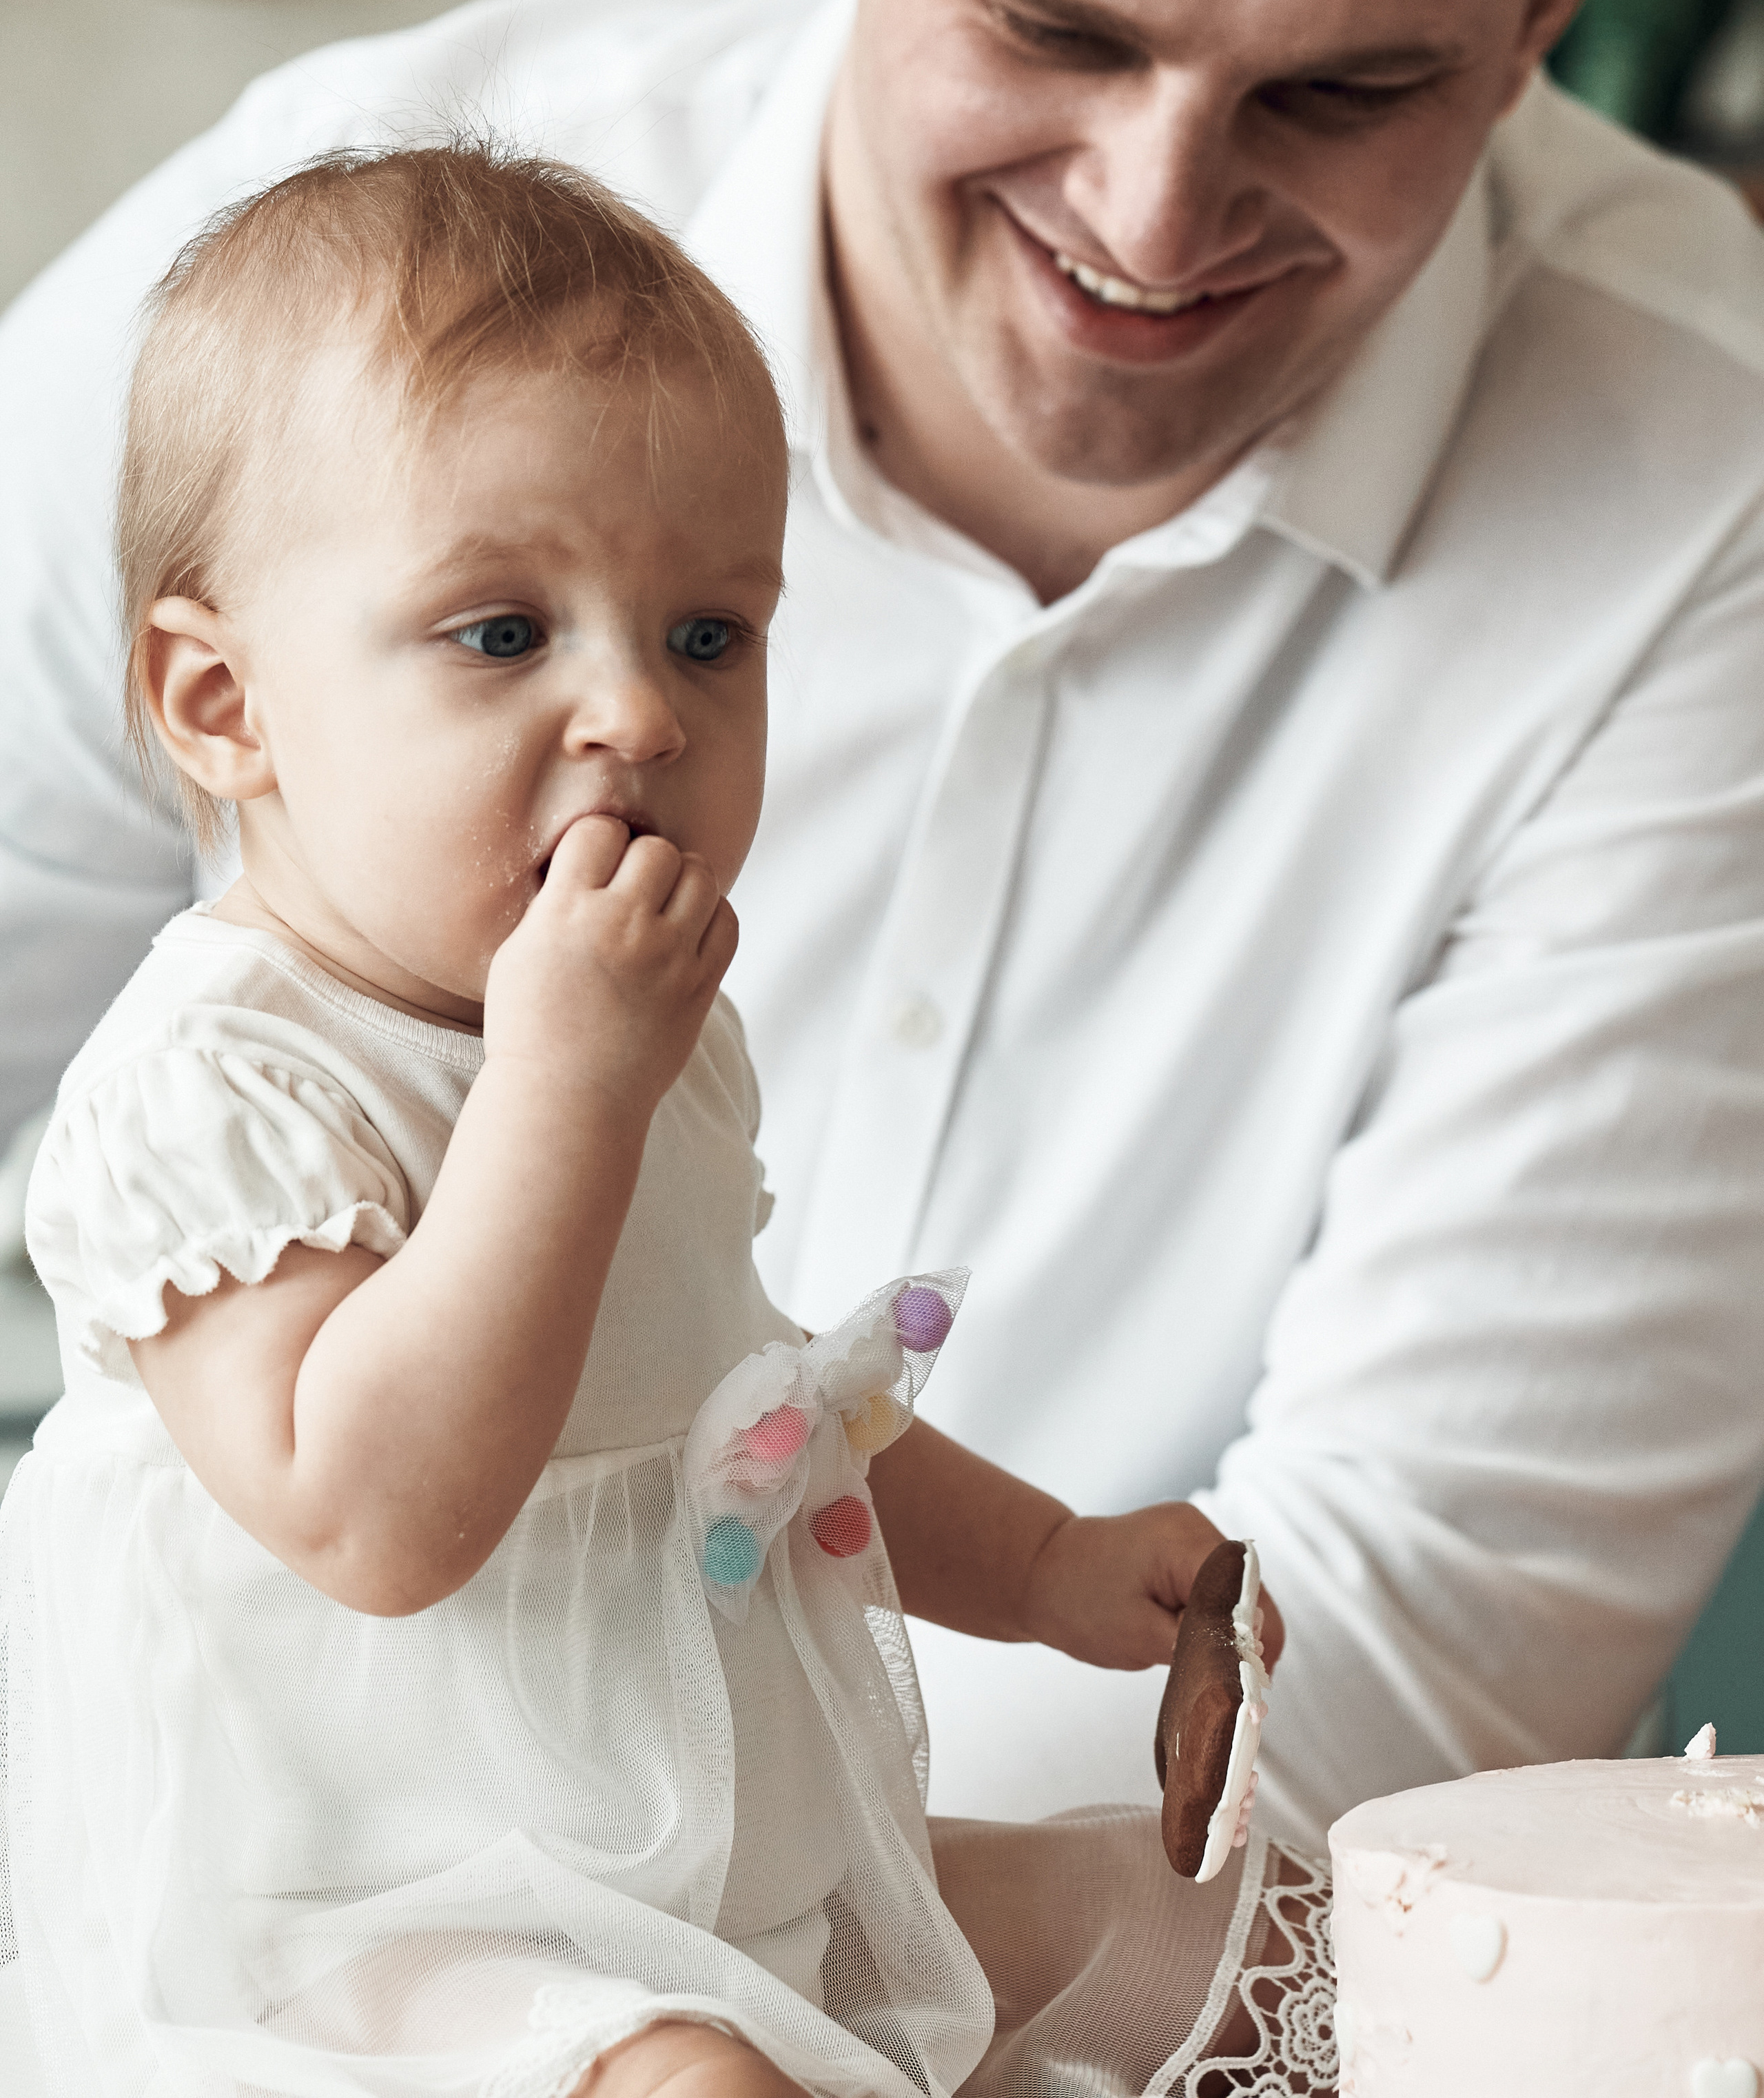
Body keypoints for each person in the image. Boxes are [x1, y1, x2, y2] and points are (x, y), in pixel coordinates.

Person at [4, 0, 1764, 1851]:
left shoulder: (1713, 501)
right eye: (1050, 25)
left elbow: (1390, 1633)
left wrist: (743, 1974)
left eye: (1344, 87)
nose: (1152, 220)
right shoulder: (298, 291)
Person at [4, 145, 1329, 2098]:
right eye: (501, 635)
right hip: (363, 1921)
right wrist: (560, 1096)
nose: (640, 717)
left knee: (1254, 1938)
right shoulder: (217, 1098)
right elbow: (382, 1523)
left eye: (710, 634)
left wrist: (1047, 1564)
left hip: (696, 1857)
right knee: (700, 2084)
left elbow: (746, 1402)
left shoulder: (634, 1036)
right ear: (224, 707)